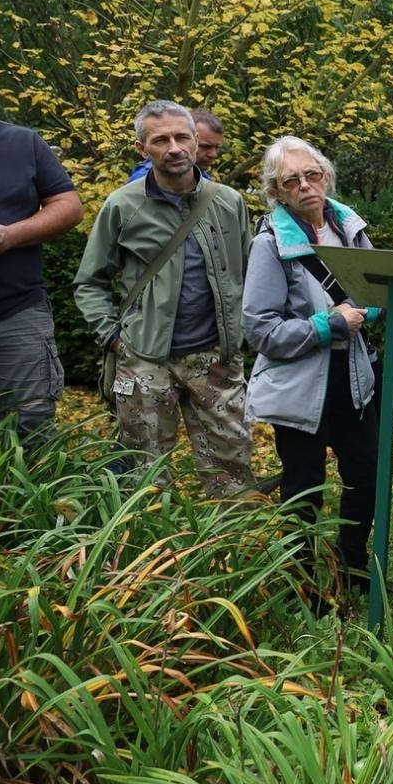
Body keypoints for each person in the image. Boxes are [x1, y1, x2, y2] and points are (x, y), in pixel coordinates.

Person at [74, 101, 255, 496]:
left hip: (216, 359)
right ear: (142, 148)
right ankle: (149, 537)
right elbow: (89, 281)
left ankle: (233, 532)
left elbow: (249, 274)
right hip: (145, 360)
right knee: (144, 477)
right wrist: (114, 339)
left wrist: (239, 336)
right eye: (160, 140)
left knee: (232, 474)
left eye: (182, 137)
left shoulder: (228, 202)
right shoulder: (122, 205)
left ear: (195, 141)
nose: (174, 148)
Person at [242, 136, 383, 591]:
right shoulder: (269, 245)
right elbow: (261, 330)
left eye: (312, 175)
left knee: (366, 474)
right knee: (304, 486)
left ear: (326, 177)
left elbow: (378, 292)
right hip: (300, 385)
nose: (305, 185)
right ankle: (302, 583)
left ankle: (352, 570)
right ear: (276, 191)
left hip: (353, 377)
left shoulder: (351, 228)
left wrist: (368, 310)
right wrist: (329, 325)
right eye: (291, 180)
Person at [0, 53, 82, 444]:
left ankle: (25, 489)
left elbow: (69, 207)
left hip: (16, 309)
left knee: (29, 430)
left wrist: (11, 235)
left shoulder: (23, 142)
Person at [127, 108, 225, 181]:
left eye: (217, 148)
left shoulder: (200, 176)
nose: (213, 154)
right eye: (205, 146)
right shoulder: (146, 180)